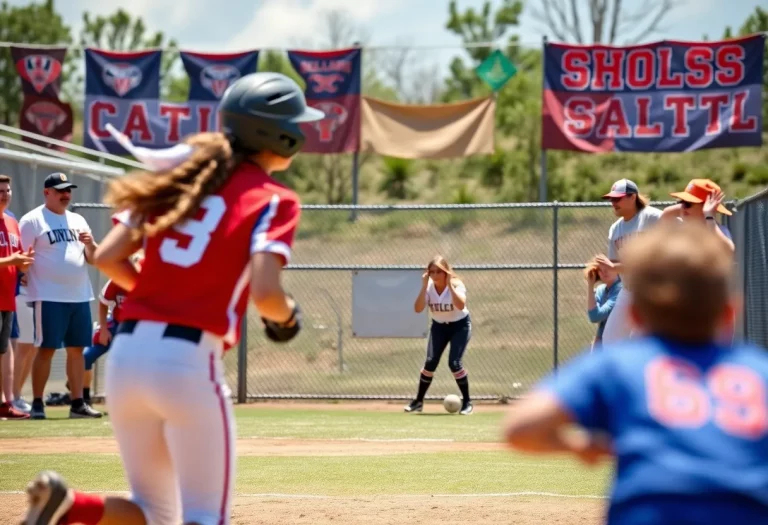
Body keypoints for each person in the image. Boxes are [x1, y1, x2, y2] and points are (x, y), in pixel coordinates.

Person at [22, 72, 322, 525]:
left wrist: (160, 292)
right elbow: (266, 293)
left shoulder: (177, 180)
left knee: (153, 511)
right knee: (203, 515)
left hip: (127, 359)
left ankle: (69, 507)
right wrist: (289, 318)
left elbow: (106, 256)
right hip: (186, 364)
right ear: (280, 135)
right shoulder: (273, 198)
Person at [504, 220, 768, 525]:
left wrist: (580, 445)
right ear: (730, 312)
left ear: (633, 314)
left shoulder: (621, 365)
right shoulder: (758, 371)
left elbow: (520, 429)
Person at [19, 172, 102, 420]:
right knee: (46, 349)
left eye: (68, 190)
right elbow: (22, 258)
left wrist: (91, 244)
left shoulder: (78, 220)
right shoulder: (32, 220)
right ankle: (36, 403)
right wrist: (22, 275)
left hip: (79, 295)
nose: (66, 194)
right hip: (48, 295)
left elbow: (94, 258)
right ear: (47, 192)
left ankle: (78, 402)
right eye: (60, 190)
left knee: (77, 349)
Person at [405, 255, 473, 415]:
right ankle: (418, 401)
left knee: (454, 363)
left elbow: (460, 304)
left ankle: (467, 402)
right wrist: (423, 286)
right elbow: (418, 308)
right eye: (431, 272)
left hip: (459, 326)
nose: (435, 276)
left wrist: (449, 284)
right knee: (430, 363)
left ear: (446, 272)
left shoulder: (456, 285)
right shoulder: (428, 287)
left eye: (439, 272)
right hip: (439, 327)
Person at [597, 179, 662, 345]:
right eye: (611, 199)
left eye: (617, 198)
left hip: (651, 291)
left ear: (633, 197)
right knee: (609, 339)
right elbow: (615, 264)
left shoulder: (651, 216)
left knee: (640, 341)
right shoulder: (615, 228)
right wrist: (607, 270)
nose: (613, 203)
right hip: (628, 292)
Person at [82, 252, 142, 405]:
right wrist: (103, 329)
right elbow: (103, 302)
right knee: (86, 356)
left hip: (139, 329)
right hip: (116, 324)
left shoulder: (148, 283)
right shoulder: (117, 280)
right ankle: (83, 397)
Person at [0, 175, 34, 419]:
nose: (5, 194)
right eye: (0, 190)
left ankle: (5, 402)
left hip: (7, 298)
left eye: (7, 190)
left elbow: (17, 258)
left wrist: (23, 266)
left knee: (4, 352)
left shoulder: (12, 222)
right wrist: (11, 261)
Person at [663, 178, 735, 252]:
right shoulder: (681, 227)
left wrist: (709, 215)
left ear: (707, 207)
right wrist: (684, 207)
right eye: (681, 202)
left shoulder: (719, 231)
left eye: (688, 204)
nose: (682, 207)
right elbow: (666, 214)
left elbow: (728, 250)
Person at [584, 257, 622, 351]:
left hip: (620, 342)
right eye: (600, 270)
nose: (604, 272)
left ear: (616, 269)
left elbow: (596, 316)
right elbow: (593, 316)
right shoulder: (601, 289)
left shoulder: (621, 289)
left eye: (607, 268)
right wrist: (590, 285)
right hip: (605, 341)